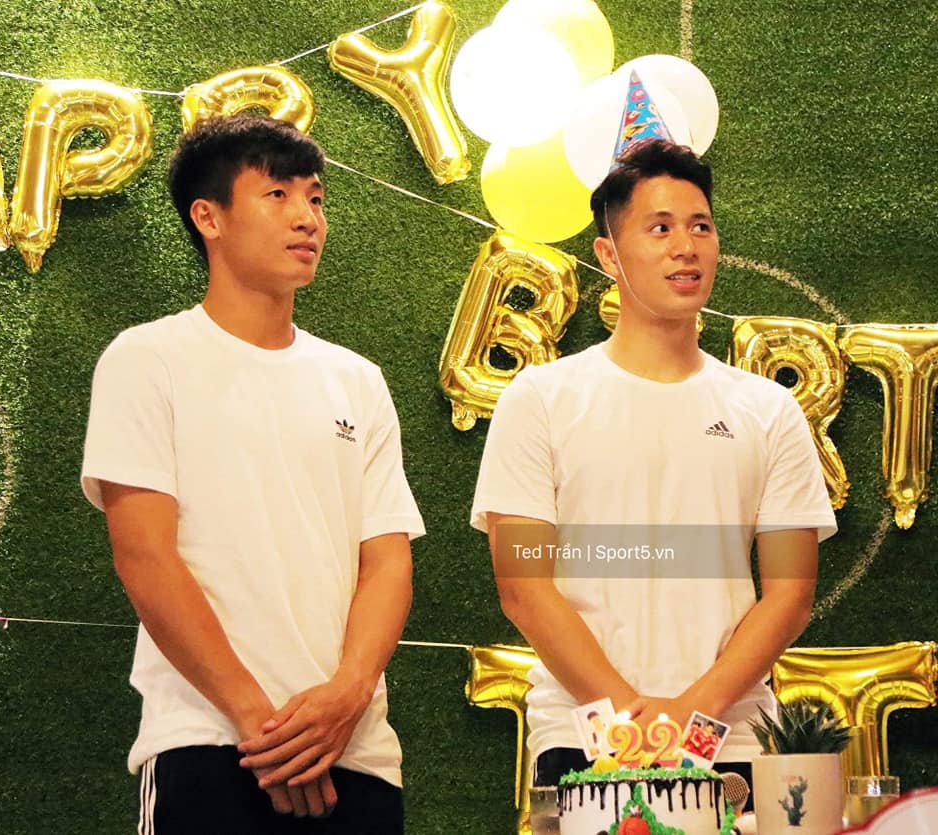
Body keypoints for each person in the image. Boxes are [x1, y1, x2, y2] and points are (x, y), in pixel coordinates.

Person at [81, 114, 424, 834]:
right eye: (277, 194)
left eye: (316, 197)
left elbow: (388, 559)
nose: (307, 217)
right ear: (208, 216)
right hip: (209, 741)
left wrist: (348, 694)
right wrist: (257, 723)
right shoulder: (147, 359)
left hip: (355, 751)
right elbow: (144, 554)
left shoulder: (357, 379)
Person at [470, 139, 836, 802]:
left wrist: (693, 714)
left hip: (731, 740)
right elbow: (523, 585)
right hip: (584, 734)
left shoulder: (768, 408)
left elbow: (791, 592)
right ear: (609, 254)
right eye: (660, 228)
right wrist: (630, 715)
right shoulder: (542, 397)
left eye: (701, 227)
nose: (686, 247)